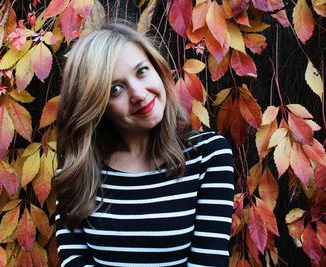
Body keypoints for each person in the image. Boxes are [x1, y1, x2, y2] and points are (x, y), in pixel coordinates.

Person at [54, 23, 234, 267]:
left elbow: (208, 261)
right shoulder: (77, 172)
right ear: (95, 105)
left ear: (158, 70)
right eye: (115, 89)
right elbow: (74, 261)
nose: (138, 93)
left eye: (141, 71)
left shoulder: (208, 156)